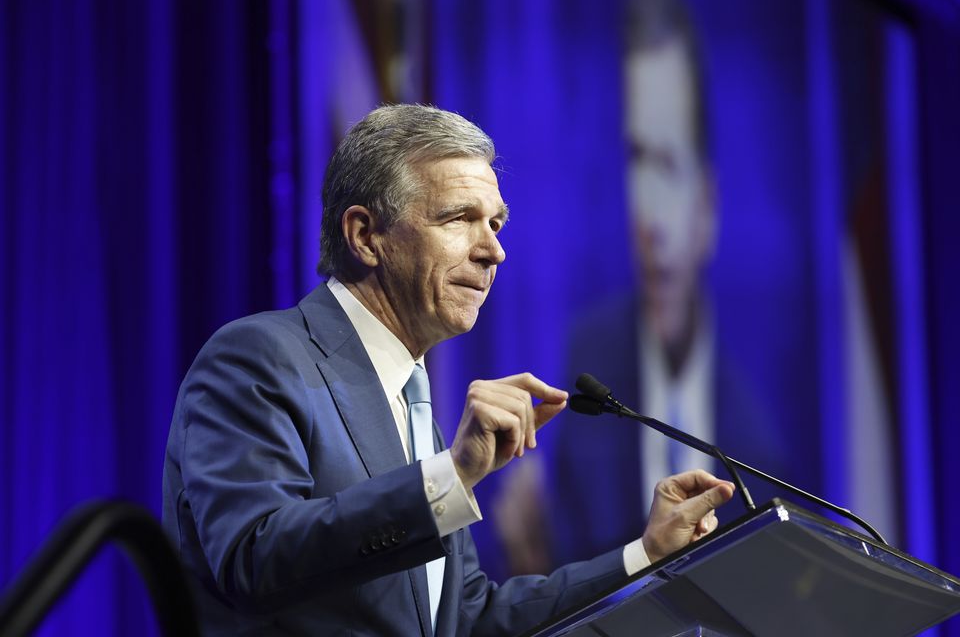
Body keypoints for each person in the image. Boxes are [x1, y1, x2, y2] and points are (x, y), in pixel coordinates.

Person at [161, 103, 735, 636]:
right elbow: (252, 556)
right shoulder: (259, 357)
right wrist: (451, 477)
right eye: (461, 218)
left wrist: (647, 555)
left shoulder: (410, 401)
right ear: (366, 236)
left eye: (497, 224)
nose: (493, 251)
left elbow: (464, 620)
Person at [496, 0, 782, 575]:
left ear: (708, 201)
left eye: (668, 166)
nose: (649, 216)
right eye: (635, 164)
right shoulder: (588, 365)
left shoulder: (767, 404)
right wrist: (534, 562)